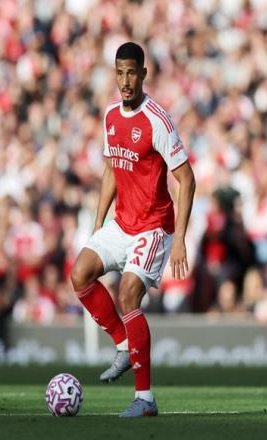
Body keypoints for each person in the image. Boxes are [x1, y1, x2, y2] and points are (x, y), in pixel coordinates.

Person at [71, 42, 195, 417]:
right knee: (80, 274)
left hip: (154, 227)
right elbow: (111, 168)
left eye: (131, 73)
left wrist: (180, 240)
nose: (125, 81)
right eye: (119, 73)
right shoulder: (110, 116)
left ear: (143, 74)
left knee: (128, 294)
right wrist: (98, 222)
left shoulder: (157, 120)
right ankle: (124, 343)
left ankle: (145, 398)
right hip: (122, 223)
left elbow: (187, 180)